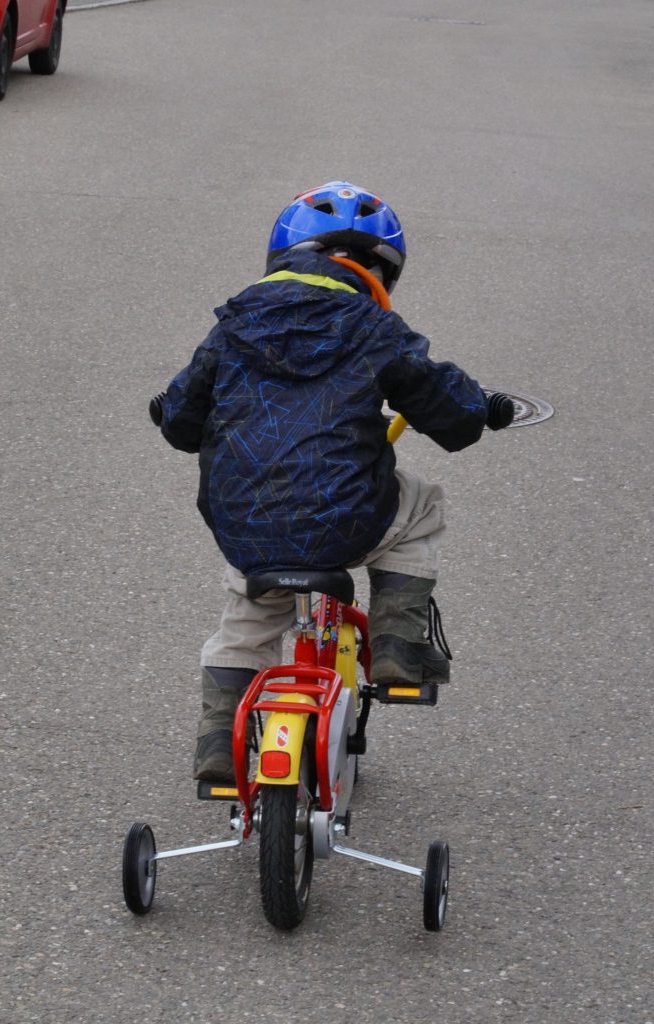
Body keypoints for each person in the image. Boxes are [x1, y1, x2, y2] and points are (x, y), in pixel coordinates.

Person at [150, 180, 514, 784]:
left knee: (247, 617)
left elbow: (182, 423)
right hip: (348, 521)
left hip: (247, 528)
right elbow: (449, 413)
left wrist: (166, 408)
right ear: (381, 276)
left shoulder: (234, 323)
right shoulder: (375, 329)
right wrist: (484, 409)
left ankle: (218, 739)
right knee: (421, 504)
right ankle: (398, 645)